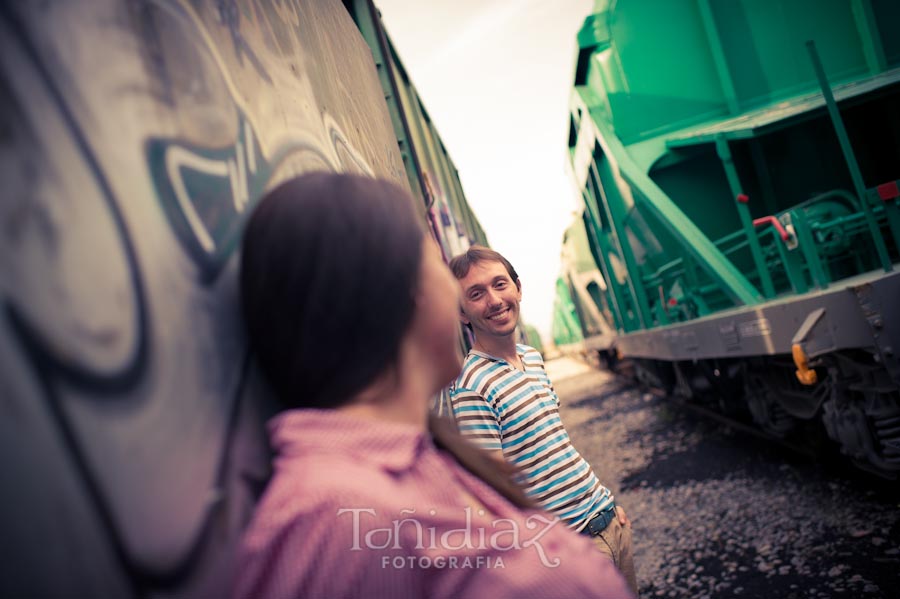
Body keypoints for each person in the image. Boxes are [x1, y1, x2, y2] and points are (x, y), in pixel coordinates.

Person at [233, 173, 633, 598]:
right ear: (406, 298)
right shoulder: (333, 514)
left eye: (499, 285)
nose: (486, 300)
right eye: (438, 266)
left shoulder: (407, 463)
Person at [448, 245, 638, 594]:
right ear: (461, 312)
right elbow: (489, 494)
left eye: (500, 284)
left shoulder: (532, 358)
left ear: (518, 288)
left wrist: (606, 505)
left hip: (609, 524)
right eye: (476, 294)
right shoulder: (471, 386)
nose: (494, 300)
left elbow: (554, 445)